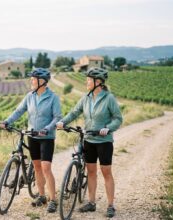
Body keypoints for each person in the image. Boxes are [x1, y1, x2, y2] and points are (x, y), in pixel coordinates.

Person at [56, 67, 122, 218]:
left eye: (89, 80)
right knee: (91, 172)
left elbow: (118, 119)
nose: (86, 82)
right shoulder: (86, 98)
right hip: (89, 140)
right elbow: (74, 112)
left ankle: (111, 205)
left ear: (98, 82)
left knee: (106, 172)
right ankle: (91, 203)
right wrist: (62, 122)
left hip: (104, 141)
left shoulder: (109, 98)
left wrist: (108, 128)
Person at [0, 68, 62, 213]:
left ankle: (53, 200)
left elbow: (57, 117)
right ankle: (41, 196)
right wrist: (7, 121)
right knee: (37, 167)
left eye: (33, 79)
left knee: (46, 167)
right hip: (32, 135)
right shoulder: (30, 96)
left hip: (46, 137)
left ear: (42, 82)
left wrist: (47, 128)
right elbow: (19, 111)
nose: (31, 81)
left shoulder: (53, 97)